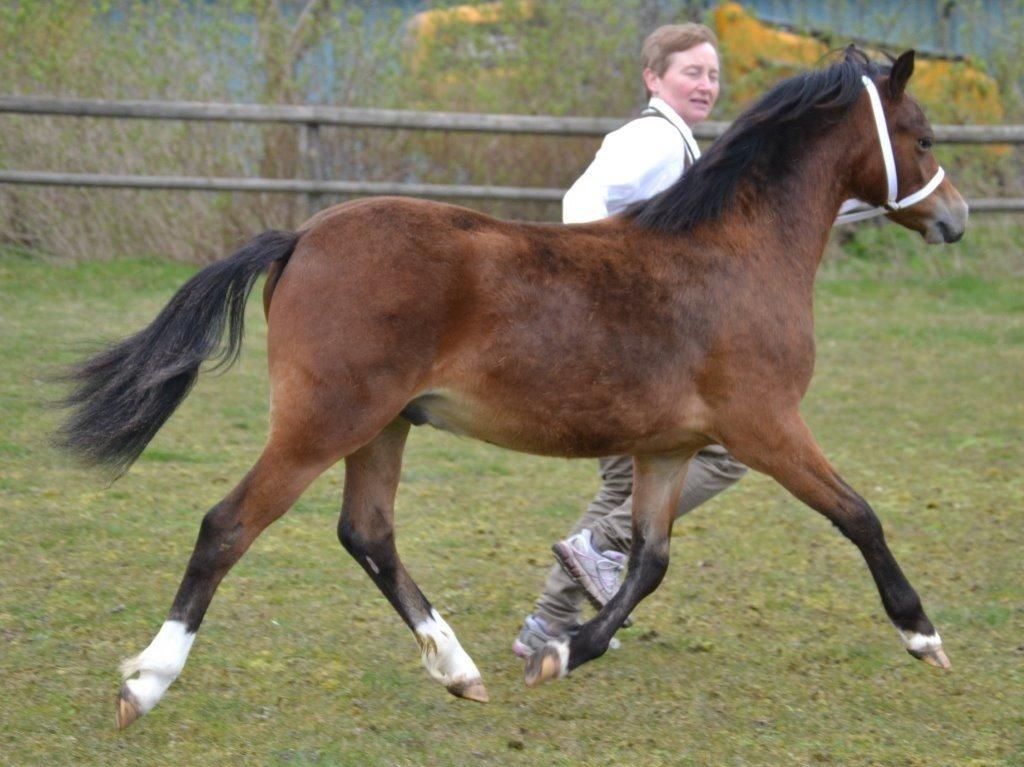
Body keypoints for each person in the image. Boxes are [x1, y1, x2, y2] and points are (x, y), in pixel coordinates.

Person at [512, 23, 749, 659]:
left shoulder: (678, 141)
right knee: (728, 451)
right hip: (624, 348)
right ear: (653, 78)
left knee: (624, 486)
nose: (706, 84)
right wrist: (610, 291)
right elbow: (583, 199)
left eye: (713, 74)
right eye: (691, 72)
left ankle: (546, 624)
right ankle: (602, 546)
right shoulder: (654, 139)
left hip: (625, 347)